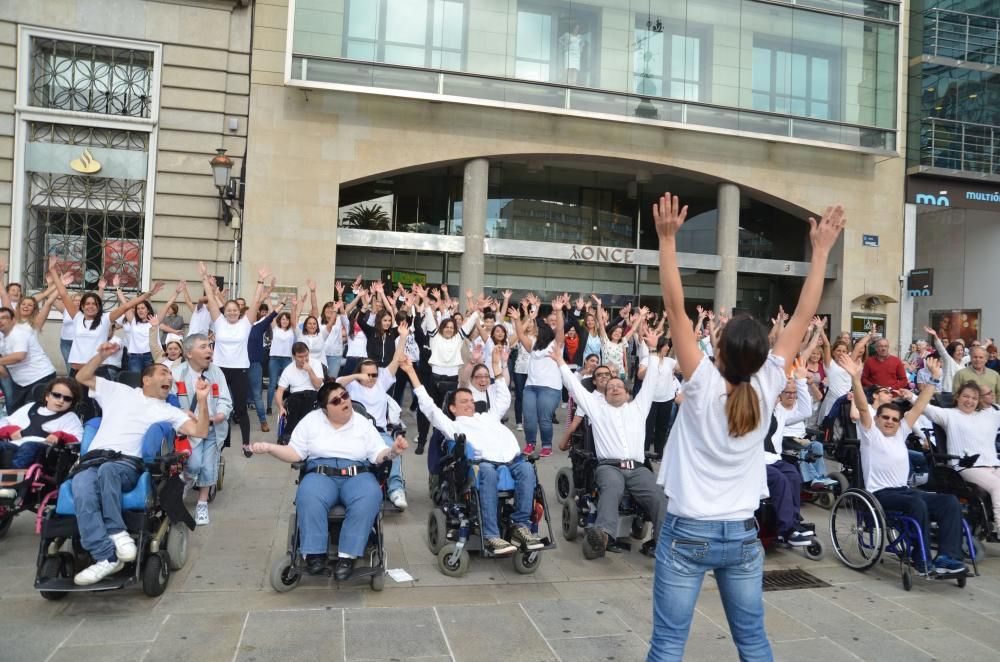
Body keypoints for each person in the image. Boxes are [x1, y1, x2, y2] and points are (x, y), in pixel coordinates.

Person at [647, 193, 845, 661]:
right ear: (760, 356)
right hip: (740, 534)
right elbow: (801, 315)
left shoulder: (700, 384)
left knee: (668, 645)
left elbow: (675, 309)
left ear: (717, 351)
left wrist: (667, 240)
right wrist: (820, 252)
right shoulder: (771, 379)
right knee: (753, 643)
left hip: (687, 531)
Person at [70, 343, 209, 585]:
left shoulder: (168, 410)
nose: (169, 378)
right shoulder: (118, 391)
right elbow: (82, 376)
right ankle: (105, 555)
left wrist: (203, 401)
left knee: (108, 470)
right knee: (80, 484)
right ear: (146, 379)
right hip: (94, 459)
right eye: (164, 373)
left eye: (171, 376)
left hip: (125, 463)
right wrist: (101, 355)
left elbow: (201, 431)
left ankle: (116, 531)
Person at [250, 381, 408, 579]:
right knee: (308, 495)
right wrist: (270, 448)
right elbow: (295, 452)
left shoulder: (362, 423)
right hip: (321, 473)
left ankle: (347, 556)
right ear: (325, 409)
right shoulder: (310, 421)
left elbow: (378, 453)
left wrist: (392, 451)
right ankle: (314, 554)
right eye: (336, 400)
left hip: (357, 473)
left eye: (345, 395)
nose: (344, 401)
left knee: (371, 495)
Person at [401, 353, 543, 555]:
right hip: (483, 465)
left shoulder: (489, 416)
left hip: (512, 461)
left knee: (528, 469)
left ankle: (520, 526)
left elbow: (503, 398)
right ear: (452, 407)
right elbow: (429, 407)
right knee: (488, 472)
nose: (470, 404)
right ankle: (492, 535)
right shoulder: (452, 426)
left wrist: (497, 365)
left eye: (470, 400)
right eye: (463, 401)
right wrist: (410, 372)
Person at [840, 354, 968, 575]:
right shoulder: (870, 434)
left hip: (905, 491)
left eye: (894, 419)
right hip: (880, 494)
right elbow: (862, 408)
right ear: (877, 419)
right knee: (917, 504)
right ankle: (922, 561)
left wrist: (934, 380)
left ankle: (949, 557)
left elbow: (918, 407)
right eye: (885, 418)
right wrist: (855, 378)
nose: (890, 421)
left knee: (950, 502)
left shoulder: (900, 432)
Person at [551, 328, 668, 558]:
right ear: (604, 394)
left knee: (659, 495)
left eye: (619, 387)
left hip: (637, 469)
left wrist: (653, 351)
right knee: (612, 488)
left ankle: (662, 542)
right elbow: (575, 388)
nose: (614, 388)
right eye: (610, 387)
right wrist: (560, 362)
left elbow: (652, 381)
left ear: (627, 393)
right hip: (609, 467)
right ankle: (603, 536)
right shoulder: (597, 408)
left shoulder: (638, 408)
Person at [337, 321, 411, 510]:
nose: (371, 378)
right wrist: (355, 377)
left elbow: (395, 360)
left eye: (374, 374)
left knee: (392, 450)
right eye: (368, 375)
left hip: (379, 432)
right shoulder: (351, 386)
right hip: (356, 431)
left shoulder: (381, 382)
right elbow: (336, 383)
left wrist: (402, 337)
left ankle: (396, 489)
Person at [199, 262, 267, 458]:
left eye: (235, 310)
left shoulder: (246, 323)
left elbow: (255, 302)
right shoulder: (219, 322)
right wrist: (205, 278)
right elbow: (211, 299)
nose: (231, 312)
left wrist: (260, 280)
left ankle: (246, 444)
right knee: (218, 408)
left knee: (240, 408)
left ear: (240, 311)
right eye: (228, 310)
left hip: (240, 371)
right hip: (219, 370)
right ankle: (218, 443)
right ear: (224, 312)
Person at [920, 380, 1000, 535]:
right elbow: (923, 407)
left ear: (979, 401)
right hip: (966, 466)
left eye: (974, 398)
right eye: (966, 396)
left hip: (993, 464)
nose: (969, 401)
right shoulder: (949, 415)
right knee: (998, 486)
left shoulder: (990, 415)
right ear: (957, 397)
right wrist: (910, 395)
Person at [171, 333, 232, 526]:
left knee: (207, 465)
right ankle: (187, 479)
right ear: (189, 353)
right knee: (194, 464)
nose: (209, 350)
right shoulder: (176, 373)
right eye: (203, 347)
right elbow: (168, 401)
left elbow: (225, 400)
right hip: (189, 430)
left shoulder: (216, 372)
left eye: (210, 346)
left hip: (214, 427)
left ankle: (202, 503)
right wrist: (181, 412)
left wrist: (220, 415)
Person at [510, 295, 567, 457]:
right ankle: (530, 444)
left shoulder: (557, 343)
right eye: (549, 323)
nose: (552, 325)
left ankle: (547, 445)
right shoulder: (534, 345)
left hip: (550, 388)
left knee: (544, 419)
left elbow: (561, 329)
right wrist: (516, 320)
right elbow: (520, 335)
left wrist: (558, 310)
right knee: (528, 418)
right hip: (531, 387)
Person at [0, 378, 83, 471]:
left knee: (28, 446)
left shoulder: (70, 417)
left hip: (45, 450)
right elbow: (4, 422)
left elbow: (78, 441)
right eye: (56, 395)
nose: (61, 400)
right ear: (47, 396)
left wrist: (61, 435)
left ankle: (13, 476)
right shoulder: (30, 407)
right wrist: (8, 430)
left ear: (72, 403)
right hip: (16, 444)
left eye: (67, 398)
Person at [0, 306, 59, 411]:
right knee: (15, 412)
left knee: (33, 414)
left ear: (13, 320)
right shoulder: (4, 337)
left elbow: (19, 356)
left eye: (4, 318)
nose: (1, 321)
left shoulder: (18, 333)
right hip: (22, 383)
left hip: (40, 377)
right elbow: (4, 371)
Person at [638, 336, 679, 459]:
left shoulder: (670, 361)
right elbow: (640, 375)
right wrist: (651, 366)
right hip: (651, 399)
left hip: (666, 398)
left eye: (669, 345)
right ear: (660, 345)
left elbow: (683, 369)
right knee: (648, 427)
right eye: (666, 345)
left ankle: (658, 454)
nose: (668, 347)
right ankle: (643, 454)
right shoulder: (647, 359)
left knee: (662, 427)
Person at [275, 342, 325, 441]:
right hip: (295, 395)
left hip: (313, 393)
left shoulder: (316, 363)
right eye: (300, 357)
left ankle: (292, 433)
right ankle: (291, 433)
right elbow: (280, 390)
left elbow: (317, 385)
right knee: (295, 401)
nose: (304, 359)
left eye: (306, 355)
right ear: (294, 356)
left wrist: (310, 371)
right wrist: (280, 407)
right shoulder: (288, 369)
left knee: (308, 399)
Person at [268, 311, 295, 415]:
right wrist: (268, 298)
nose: (285, 321)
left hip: (287, 360)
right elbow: (272, 312)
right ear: (279, 320)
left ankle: (287, 404)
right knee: (273, 383)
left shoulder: (291, 330)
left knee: (288, 384)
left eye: (287, 319)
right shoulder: (275, 328)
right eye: (283, 319)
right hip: (274, 359)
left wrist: (296, 305)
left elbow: (295, 314)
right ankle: (269, 407)